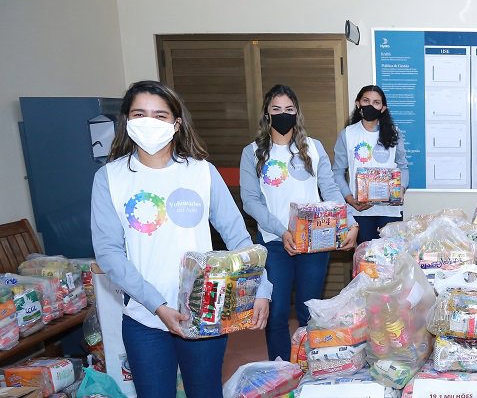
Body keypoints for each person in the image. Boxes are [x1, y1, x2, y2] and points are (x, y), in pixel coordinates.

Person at [91, 80, 272, 397]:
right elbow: (109, 253)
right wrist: (157, 305)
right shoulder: (110, 178)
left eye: (160, 115)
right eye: (139, 114)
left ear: (176, 124)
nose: (149, 122)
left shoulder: (202, 172)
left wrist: (261, 288)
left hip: (205, 312)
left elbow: (238, 237)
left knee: (205, 392)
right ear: (127, 121)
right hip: (145, 317)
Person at [240, 84, 359, 361]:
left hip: (314, 243)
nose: (284, 114)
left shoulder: (313, 148)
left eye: (289, 109)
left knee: (309, 310)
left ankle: (309, 366)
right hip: (274, 243)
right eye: (277, 109)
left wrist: (350, 222)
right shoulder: (253, 152)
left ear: (297, 113)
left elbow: (330, 191)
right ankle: (280, 371)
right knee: (277, 312)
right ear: (267, 114)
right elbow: (250, 201)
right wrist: (282, 231)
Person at [333, 85, 409, 244]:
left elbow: (403, 167)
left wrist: (400, 190)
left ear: (383, 108)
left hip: (390, 211)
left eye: (376, 102)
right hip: (359, 210)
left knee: (390, 260)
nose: (370, 105)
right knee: (364, 260)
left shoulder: (394, 133)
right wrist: (349, 199)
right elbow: (337, 172)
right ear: (358, 103)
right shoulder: (347, 134)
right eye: (366, 101)